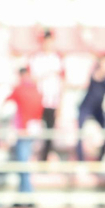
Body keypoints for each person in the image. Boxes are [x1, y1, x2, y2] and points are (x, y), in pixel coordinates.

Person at [5, 64, 43, 195]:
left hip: (23, 131)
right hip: (32, 131)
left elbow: (6, 103)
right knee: (25, 163)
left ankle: (26, 194)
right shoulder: (36, 90)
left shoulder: (20, 89)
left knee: (23, 163)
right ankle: (24, 192)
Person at [27, 30, 63, 160]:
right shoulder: (36, 58)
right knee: (35, 131)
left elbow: (62, 83)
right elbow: (31, 80)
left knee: (49, 133)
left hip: (52, 101)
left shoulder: (57, 58)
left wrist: (61, 104)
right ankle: (31, 157)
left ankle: (44, 159)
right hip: (37, 101)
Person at [77, 55, 105, 161]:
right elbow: (95, 77)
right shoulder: (95, 74)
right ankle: (80, 161)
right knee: (80, 134)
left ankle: (101, 159)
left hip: (98, 109)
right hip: (87, 107)